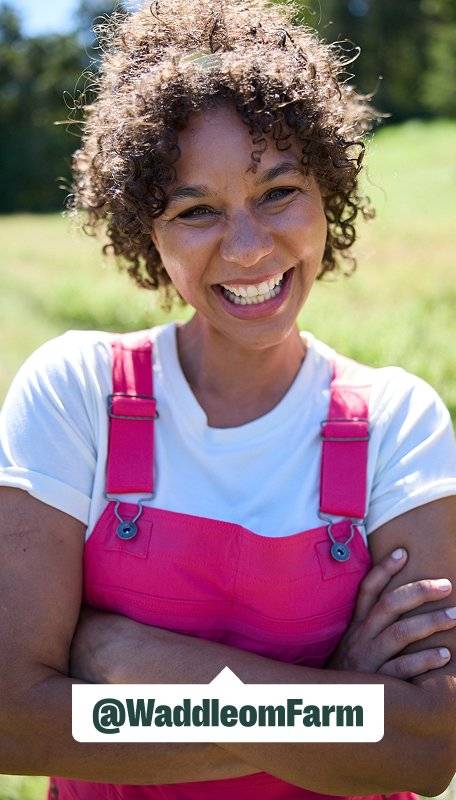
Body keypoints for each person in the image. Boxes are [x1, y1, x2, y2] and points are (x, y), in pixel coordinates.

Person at [0, 0, 456, 798]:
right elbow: (12, 722)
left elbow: (428, 749)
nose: (247, 248)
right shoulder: (76, 394)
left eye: (279, 191)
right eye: (196, 210)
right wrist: (337, 708)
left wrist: (133, 662)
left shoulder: (399, 422)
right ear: (149, 235)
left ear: (328, 195)